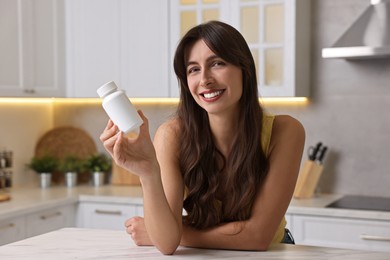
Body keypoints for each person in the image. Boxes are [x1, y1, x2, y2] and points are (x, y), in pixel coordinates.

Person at [100, 20, 305, 255]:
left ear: (244, 69)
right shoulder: (172, 135)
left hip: (273, 253)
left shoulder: (286, 130)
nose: (205, 79)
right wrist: (148, 172)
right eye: (193, 69)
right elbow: (167, 245)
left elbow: (258, 237)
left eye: (217, 63)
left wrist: (172, 231)